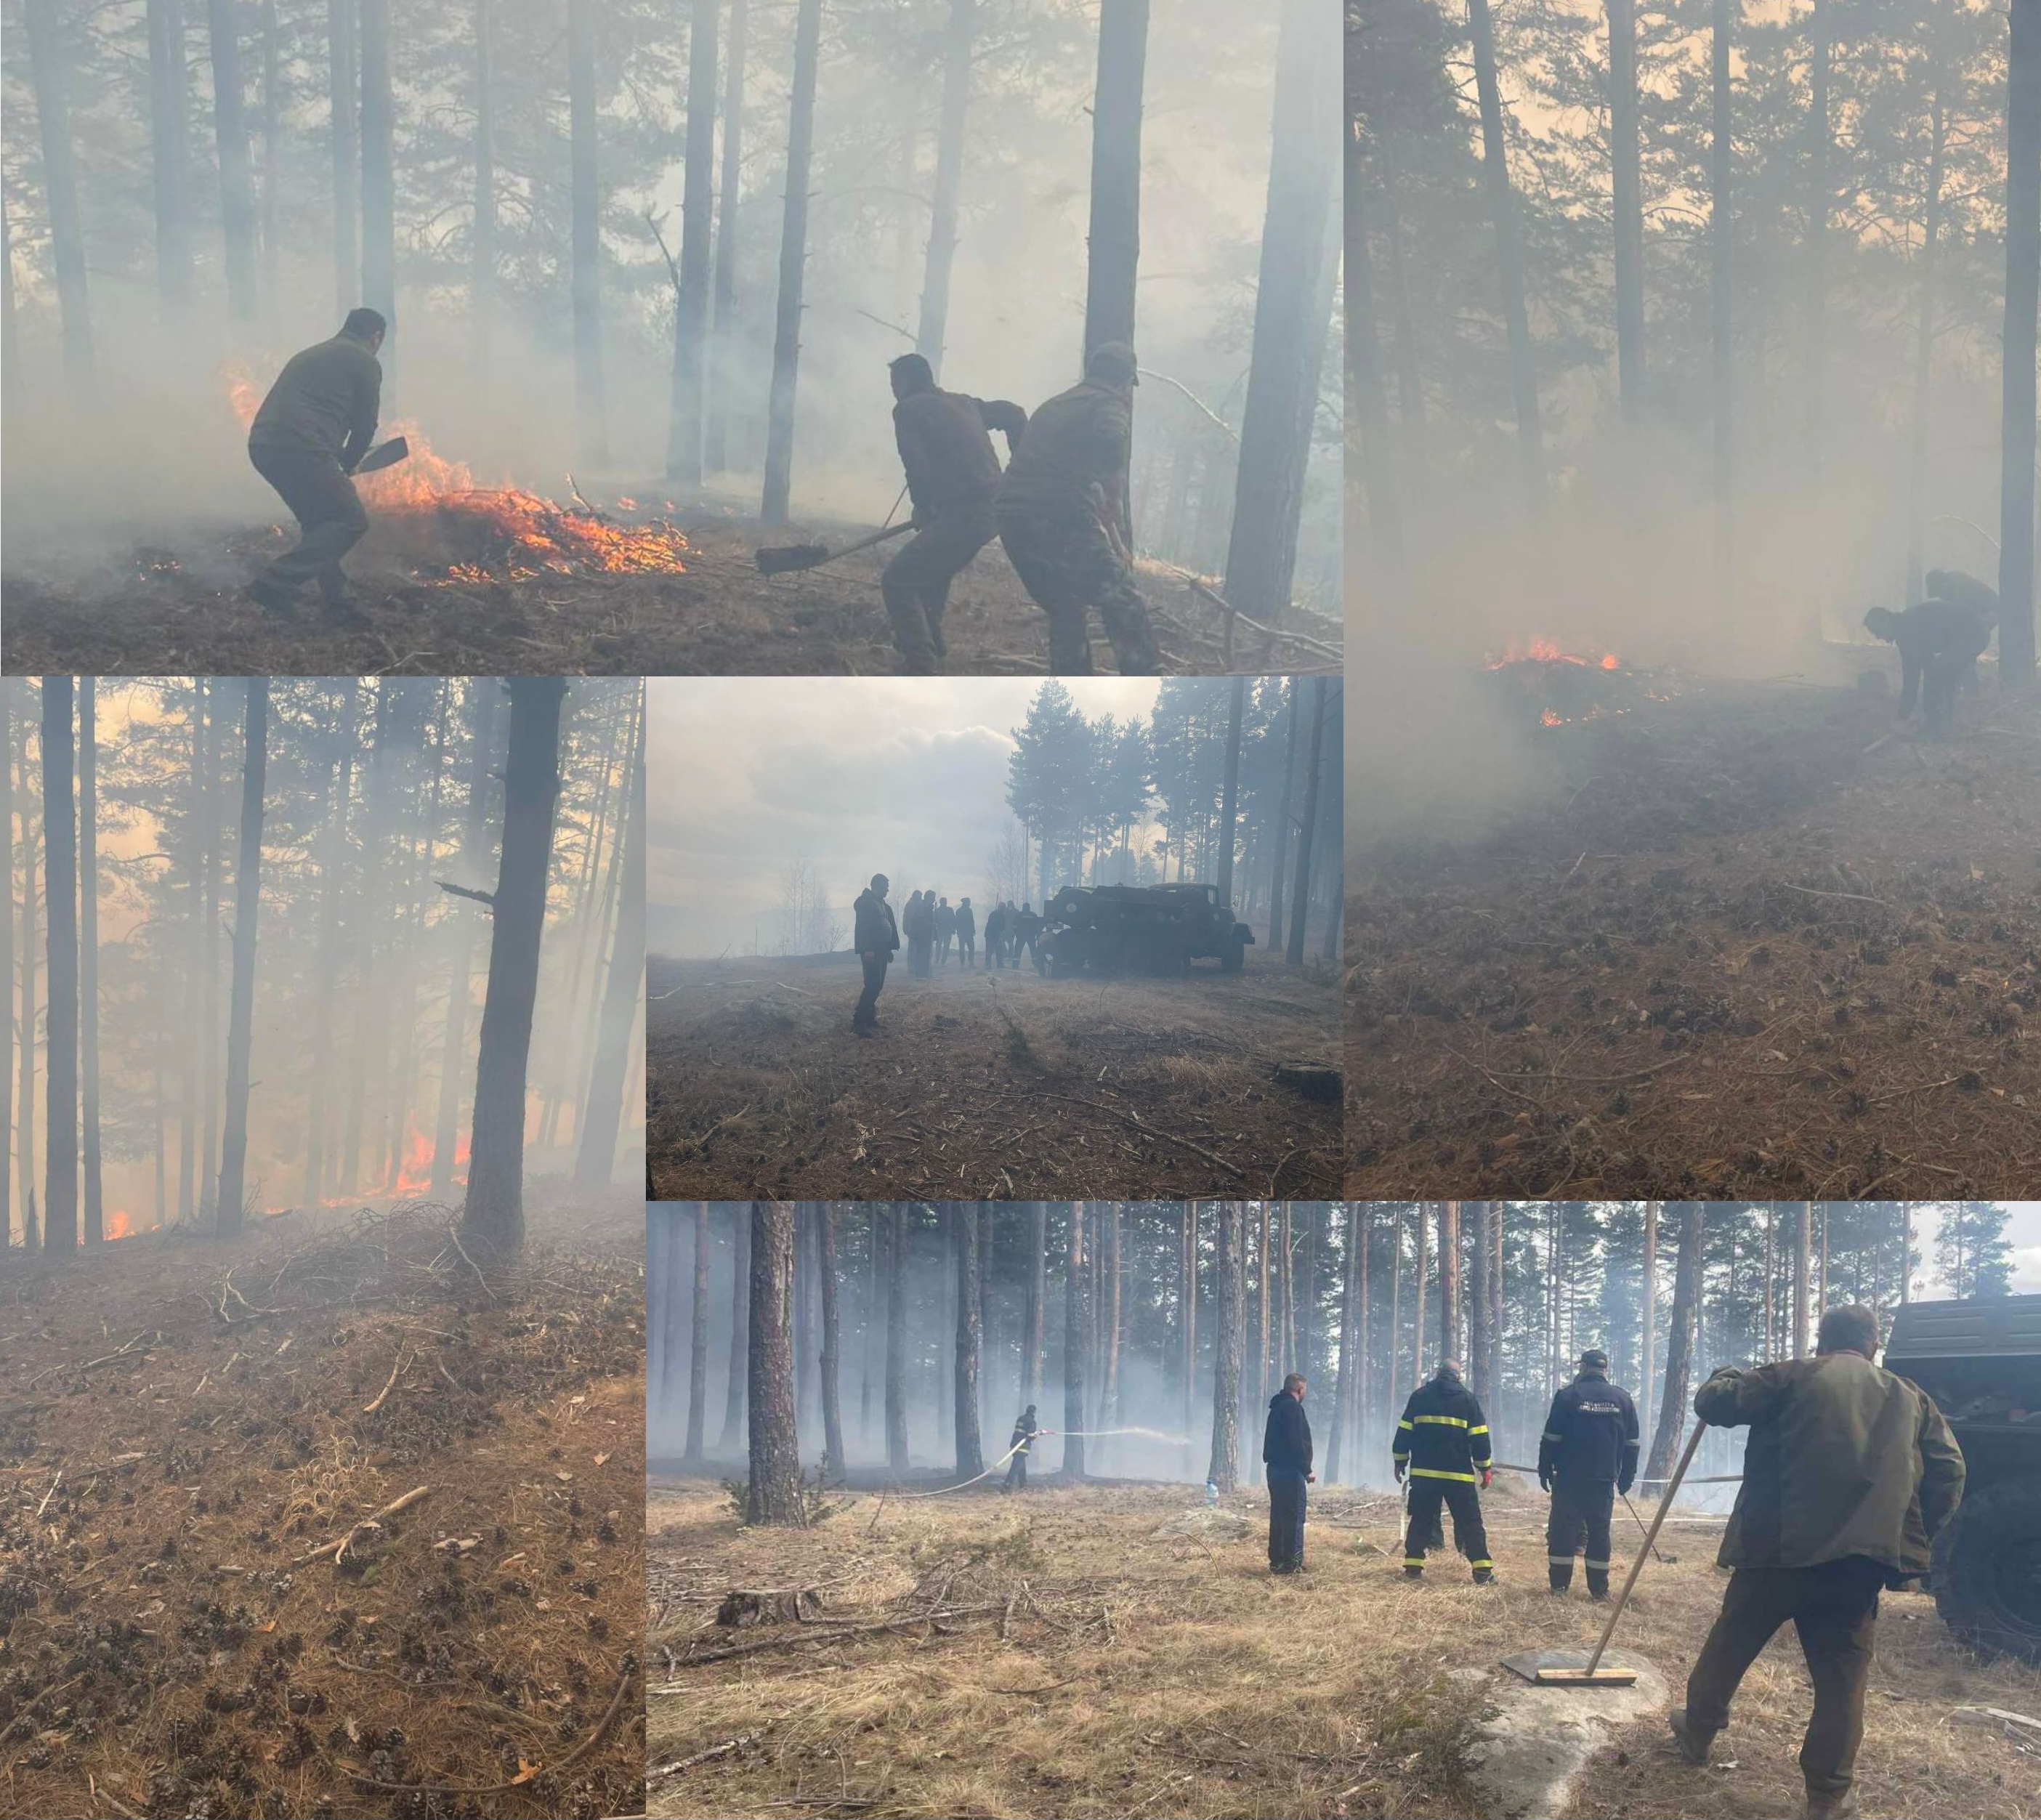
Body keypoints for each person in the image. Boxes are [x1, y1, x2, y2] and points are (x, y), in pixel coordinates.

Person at [1670, 1304, 1964, 1820]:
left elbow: (1714, 1401)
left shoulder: (1790, 1375)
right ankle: (1828, 1795)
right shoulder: (1909, 1396)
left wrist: (1724, 1373)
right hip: (1856, 1564)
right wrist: (1909, 1530)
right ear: (1873, 1346)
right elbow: (1948, 1470)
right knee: (1841, 1680)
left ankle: (1696, 1733)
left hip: (1774, 1552)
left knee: (1730, 1644)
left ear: (1821, 1340)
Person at [995, 341, 1161, 676]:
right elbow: (1113, 441)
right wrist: (1110, 492)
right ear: (1125, 381)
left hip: (1012, 517)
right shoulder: (1108, 403)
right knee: (1122, 600)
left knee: (1065, 609)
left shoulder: (1055, 405)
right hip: (1059, 515)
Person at [881, 353, 1027, 674]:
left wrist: (922, 506)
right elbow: (1015, 415)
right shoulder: (964, 403)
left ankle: (921, 665)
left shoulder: (907, 410)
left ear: (907, 382)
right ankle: (934, 646)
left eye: (894, 383)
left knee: (897, 581)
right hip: (992, 511)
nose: (893, 390)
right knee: (934, 570)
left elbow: (916, 466)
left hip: (967, 513)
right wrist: (1018, 471)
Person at [246, 307, 387, 623]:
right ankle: (275, 583)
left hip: (264, 446)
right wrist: (348, 463)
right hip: (301, 447)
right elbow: (365, 426)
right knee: (351, 520)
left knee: (321, 522)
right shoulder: (365, 360)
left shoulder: (310, 354)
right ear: (376, 337)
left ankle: (337, 602)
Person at [1537, 1348, 1640, 1600]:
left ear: (1583, 1368)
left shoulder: (1567, 1397)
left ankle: (1559, 1588)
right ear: (1604, 1370)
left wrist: (1545, 1468)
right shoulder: (1623, 1399)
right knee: (1599, 1533)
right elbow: (1632, 1444)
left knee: (1564, 1532)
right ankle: (1599, 1591)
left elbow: (1551, 1438)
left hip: (1569, 1480)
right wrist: (1627, 1476)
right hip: (1604, 1481)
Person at [1393, 1359, 1495, 1585]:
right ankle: (1483, 1573)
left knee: (1420, 1520)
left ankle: (1413, 1568)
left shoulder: (1419, 1397)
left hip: (1424, 1475)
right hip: (1458, 1476)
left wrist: (1400, 1461)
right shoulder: (1468, 1399)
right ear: (1458, 1376)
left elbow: (1404, 1432)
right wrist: (1484, 1468)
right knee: (1470, 1524)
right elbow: (1480, 1438)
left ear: (1438, 1374)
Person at [1862, 601, 1992, 735]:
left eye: (1876, 631)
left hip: (1972, 635)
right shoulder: (1907, 623)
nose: (1878, 637)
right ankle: (1946, 721)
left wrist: (1902, 716)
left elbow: (1912, 679)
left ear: (1885, 621)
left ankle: (1933, 730)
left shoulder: (1905, 631)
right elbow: (1925, 662)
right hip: (1976, 632)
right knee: (1942, 673)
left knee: (1935, 674)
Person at [1262, 1372, 1315, 1574]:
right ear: (1299, 1389)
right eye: (1305, 1390)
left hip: (1274, 1470)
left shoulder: (1276, 1408)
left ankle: (1277, 1562)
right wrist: (1307, 1470)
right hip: (1290, 1471)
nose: (1305, 1393)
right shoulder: (1293, 1408)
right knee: (1294, 1517)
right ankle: (1292, 1564)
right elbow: (1297, 1443)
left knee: (1278, 1517)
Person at [851, 873, 899, 1036]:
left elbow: (884, 927)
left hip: (881, 949)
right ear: (877, 885)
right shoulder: (865, 902)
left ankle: (870, 1018)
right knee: (872, 984)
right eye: (886, 885)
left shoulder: (881, 904)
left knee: (878, 985)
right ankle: (859, 1022)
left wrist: (889, 949)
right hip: (871, 950)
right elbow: (864, 928)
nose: (888, 889)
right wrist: (867, 949)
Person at [1003, 1404, 1054, 1492]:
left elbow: (1022, 1432)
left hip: (1014, 1445)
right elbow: (1030, 1435)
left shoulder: (1020, 1419)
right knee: (1016, 1466)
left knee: (1021, 1466)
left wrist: (1037, 1432)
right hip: (1022, 1447)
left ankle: (1023, 1485)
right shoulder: (1031, 1422)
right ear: (1034, 1412)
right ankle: (1008, 1484)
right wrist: (1039, 1433)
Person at [985, 901, 1010, 969]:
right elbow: (992, 926)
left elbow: (1004, 926)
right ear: (1000, 908)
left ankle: (1000, 965)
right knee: (989, 951)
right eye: (1003, 908)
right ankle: (988, 965)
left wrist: (1003, 933)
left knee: (999, 951)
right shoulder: (993, 914)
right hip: (990, 935)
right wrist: (998, 933)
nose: (1003, 910)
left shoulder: (1003, 916)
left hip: (998, 935)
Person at [955, 896, 977, 969]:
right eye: (968, 903)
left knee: (971, 948)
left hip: (969, 932)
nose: (969, 904)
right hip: (962, 932)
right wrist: (958, 931)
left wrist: (973, 930)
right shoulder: (959, 911)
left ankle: (971, 962)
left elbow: (972, 921)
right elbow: (957, 922)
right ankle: (962, 963)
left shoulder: (969, 911)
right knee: (962, 949)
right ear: (965, 903)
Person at [935, 897, 957, 965]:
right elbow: (934, 920)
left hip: (948, 930)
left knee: (946, 947)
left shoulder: (949, 910)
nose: (944, 903)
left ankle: (943, 961)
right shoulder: (937, 910)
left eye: (945, 901)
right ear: (941, 902)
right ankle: (937, 960)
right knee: (939, 946)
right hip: (940, 930)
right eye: (943, 902)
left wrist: (953, 928)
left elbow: (953, 920)